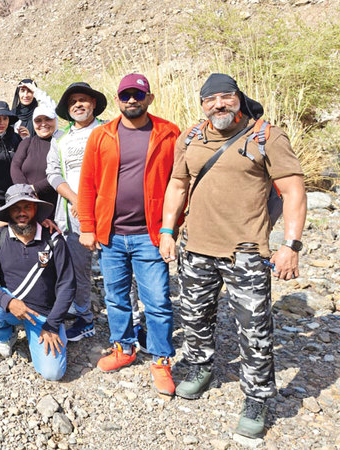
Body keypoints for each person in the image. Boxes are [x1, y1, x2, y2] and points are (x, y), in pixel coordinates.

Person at [160, 73, 306, 438]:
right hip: (195, 248)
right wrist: (167, 231)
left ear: (238, 98)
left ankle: (257, 398)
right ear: (203, 104)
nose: (218, 105)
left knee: (254, 331)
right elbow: (178, 185)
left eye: (225, 97)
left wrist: (290, 245)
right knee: (194, 317)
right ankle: (199, 366)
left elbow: (292, 191)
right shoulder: (191, 137)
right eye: (210, 100)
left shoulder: (266, 136)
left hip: (246, 253)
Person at [77, 73, 181, 396]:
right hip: (111, 234)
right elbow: (87, 184)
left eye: (138, 94)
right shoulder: (101, 136)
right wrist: (87, 226)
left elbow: (180, 183)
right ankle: (124, 347)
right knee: (116, 297)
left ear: (150, 98)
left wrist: (171, 228)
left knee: (158, 301)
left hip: (149, 235)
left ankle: (161, 359)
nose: (132, 100)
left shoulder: (168, 133)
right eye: (126, 95)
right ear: (118, 99)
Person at [0, 184, 74, 381]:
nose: (22, 213)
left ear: (36, 209)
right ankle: (6, 335)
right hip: (11, 306)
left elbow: (67, 284)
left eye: (27, 207)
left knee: (53, 373)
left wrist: (52, 324)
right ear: (8, 211)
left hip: (43, 315)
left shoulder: (54, 239)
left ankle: (43, 333)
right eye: (16, 208)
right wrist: (8, 302)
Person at [45, 82, 106, 343]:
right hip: (74, 216)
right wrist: (77, 200)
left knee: (117, 269)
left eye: (83, 100)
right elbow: (53, 173)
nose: (78, 105)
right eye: (72, 102)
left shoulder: (108, 131)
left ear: (93, 103)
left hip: (108, 213)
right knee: (78, 269)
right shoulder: (61, 139)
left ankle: (130, 324)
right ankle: (85, 319)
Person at [10, 104, 60, 212]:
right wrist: (27, 192)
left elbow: (62, 172)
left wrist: (35, 189)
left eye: (48, 119)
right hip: (27, 204)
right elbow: (15, 166)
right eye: (38, 120)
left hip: (53, 205)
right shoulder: (27, 143)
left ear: (55, 120)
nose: (43, 124)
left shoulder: (62, 143)